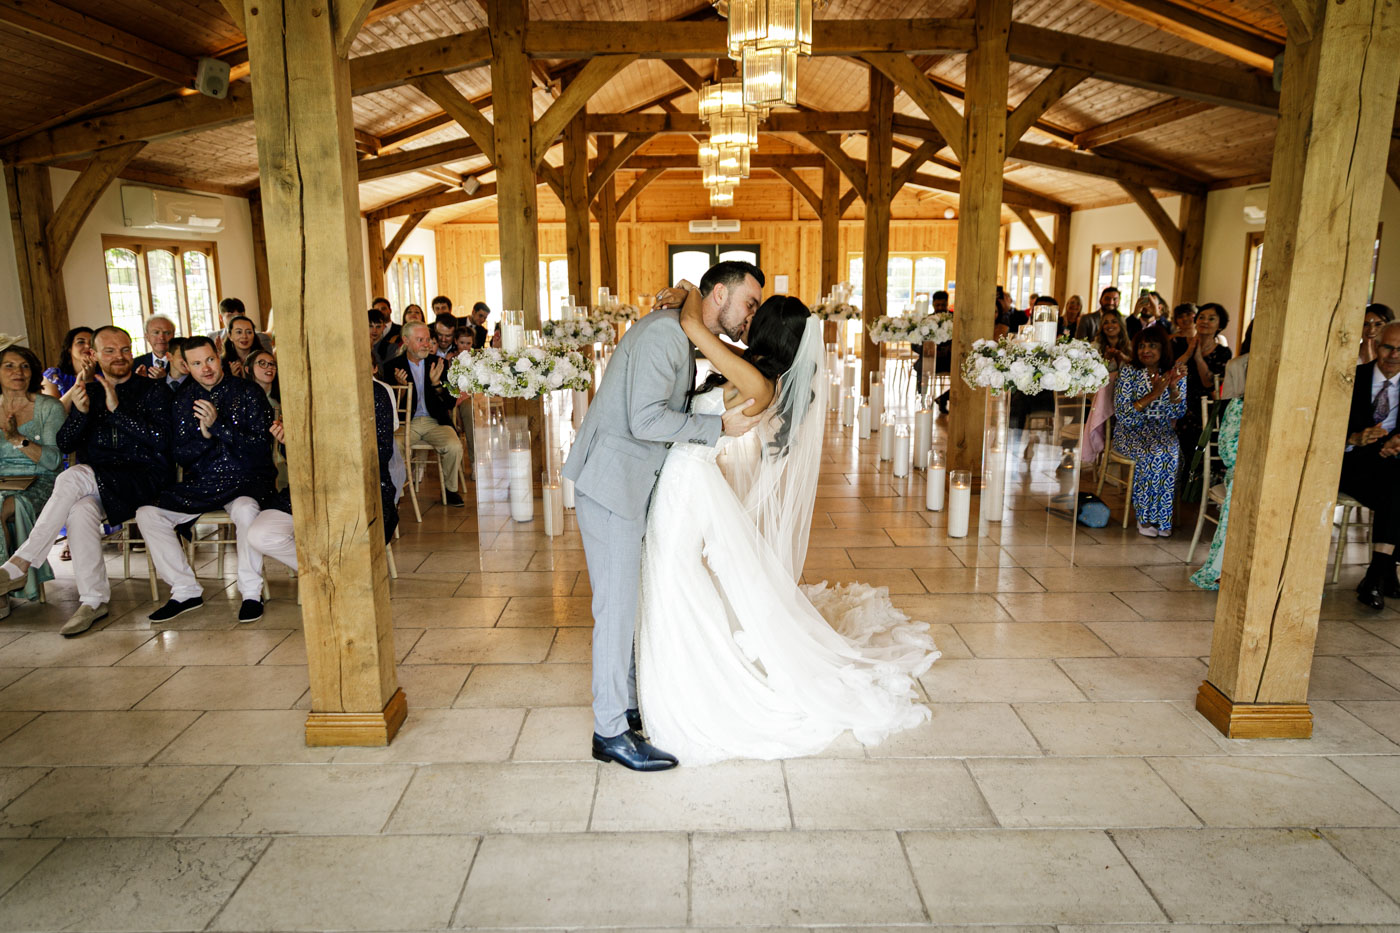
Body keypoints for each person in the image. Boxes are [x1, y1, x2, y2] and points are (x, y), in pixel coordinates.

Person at [630, 281, 938, 767]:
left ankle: (685, 693)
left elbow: (692, 325)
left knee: (671, 582)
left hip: (686, 483)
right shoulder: (755, 372)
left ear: (769, 330)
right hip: (688, 480)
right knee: (673, 580)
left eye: (755, 312)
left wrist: (690, 290)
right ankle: (676, 680)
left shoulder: (756, 382)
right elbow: (711, 341)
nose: (745, 318)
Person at [565, 261, 767, 771]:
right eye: (749, 302)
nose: (751, 315)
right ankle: (609, 731)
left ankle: (626, 706)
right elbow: (645, 418)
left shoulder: (681, 327)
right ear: (719, 295)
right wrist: (717, 426)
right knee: (614, 610)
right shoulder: (664, 335)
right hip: (613, 481)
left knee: (627, 604)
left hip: (628, 481)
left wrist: (684, 296)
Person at [0, 327, 174, 636]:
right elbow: (65, 444)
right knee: (79, 509)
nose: (119, 356)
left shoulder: (154, 390)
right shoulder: (89, 392)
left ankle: (22, 561)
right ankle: (93, 600)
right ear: (94, 355)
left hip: (145, 480)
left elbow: (161, 442)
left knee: (75, 474)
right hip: (100, 485)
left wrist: (117, 410)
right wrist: (80, 412)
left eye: (125, 349)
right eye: (109, 351)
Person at [137, 336, 277, 624]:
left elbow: (260, 446)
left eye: (210, 359)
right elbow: (181, 454)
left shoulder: (248, 391)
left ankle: (251, 592)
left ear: (219, 355)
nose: (206, 368)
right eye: (197, 363)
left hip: (247, 478)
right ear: (186, 366)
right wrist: (203, 435)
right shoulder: (183, 400)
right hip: (205, 483)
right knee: (148, 514)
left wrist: (218, 427)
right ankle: (185, 590)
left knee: (246, 510)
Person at [245, 356, 402, 579]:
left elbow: (379, 453)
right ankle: (328, 574)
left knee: (349, 536)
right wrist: (288, 443)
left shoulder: (374, 392)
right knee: (260, 534)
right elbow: (294, 460)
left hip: (362, 487)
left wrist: (323, 448)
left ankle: (341, 574)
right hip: (312, 488)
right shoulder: (305, 393)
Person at [0, 346, 65, 612]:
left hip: (41, 480)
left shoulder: (48, 407)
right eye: (9, 366)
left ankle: (3, 589)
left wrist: (17, 438)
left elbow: (53, 462)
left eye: (24, 366)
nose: (18, 372)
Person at [1340, 321, 1400, 610]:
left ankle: (1376, 575)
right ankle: (1384, 572)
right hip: (1350, 464)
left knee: (1396, 485)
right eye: (1389, 347)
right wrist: (1353, 437)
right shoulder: (1352, 378)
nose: (1394, 355)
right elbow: (1322, 427)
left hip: (1391, 467)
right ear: (1376, 345)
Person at [1192, 323, 1251, 591]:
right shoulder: (1238, 402)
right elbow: (1228, 450)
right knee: (1242, 488)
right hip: (1243, 467)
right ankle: (1227, 566)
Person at [381, 322, 466, 508]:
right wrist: (401, 388)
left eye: (427, 340)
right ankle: (397, 494)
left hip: (435, 422)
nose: (426, 344)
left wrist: (436, 385)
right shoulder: (391, 367)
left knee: (454, 445)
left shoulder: (440, 364)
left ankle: (451, 491)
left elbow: (451, 403)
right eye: (420, 340)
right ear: (406, 341)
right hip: (405, 422)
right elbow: (389, 407)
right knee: (393, 445)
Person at [1112, 328, 1187, 538]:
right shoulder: (1129, 371)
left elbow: (1178, 412)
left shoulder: (1174, 372)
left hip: (1161, 430)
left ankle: (1163, 518)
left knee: (1170, 453)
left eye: (1152, 346)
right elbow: (1124, 414)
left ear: (1163, 349)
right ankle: (1144, 518)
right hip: (1130, 431)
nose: (1146, 350)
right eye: (1142, 346)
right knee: (1151, 454)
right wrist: (1154, 394)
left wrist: (1173, 388)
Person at [245, 348, 286, 491]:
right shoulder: (243, 402)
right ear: (248, 369)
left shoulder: (282, 401)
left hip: (281, 461)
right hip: (254, 465)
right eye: (262, 363)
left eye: (272, 364)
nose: (269, 367)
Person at [40, 326, 95, 413]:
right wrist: (80, 381)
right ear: (69, 348)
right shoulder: (53, 376)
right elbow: (52, 414)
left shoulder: (105, 374)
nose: (88, 346)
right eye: (81, 342)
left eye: (92, 343)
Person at [134, 316, 176, 380]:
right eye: (156, 333)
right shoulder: (136, 364)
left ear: (173, 335)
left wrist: (166, 378)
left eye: (167, 333)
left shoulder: (183, 362)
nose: (162, 337)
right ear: (147, 337)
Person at [1094, 310, 1132, 375]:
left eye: (1114, 322)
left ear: (1121, 324)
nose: (1109, 325)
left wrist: (1124, 358)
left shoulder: (1131, 346)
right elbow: (1092, 373)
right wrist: (1106, 360)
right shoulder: (1094, 347)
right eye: (1106, 323)